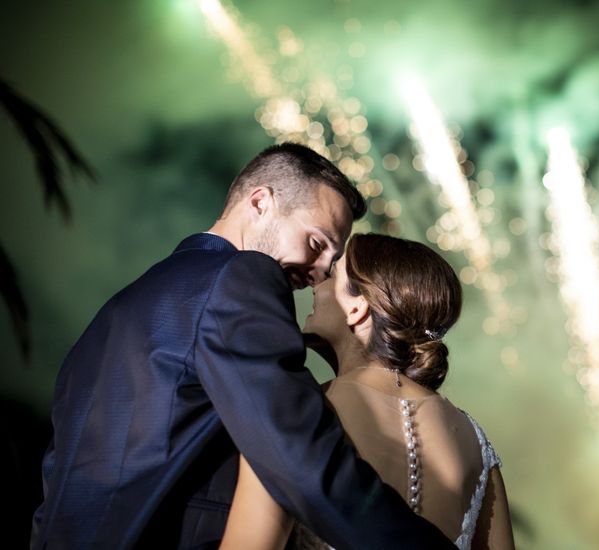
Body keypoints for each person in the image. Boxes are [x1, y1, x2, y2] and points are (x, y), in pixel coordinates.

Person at [31, 143, 454, 549]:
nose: (319, 275)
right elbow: (305, 463)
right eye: (316, 243)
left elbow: (60, 481)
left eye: (331, 261)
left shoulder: (115, 313)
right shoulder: (241, 278)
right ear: (259, 203)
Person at [220, 233, 515, 550]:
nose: (316, 286)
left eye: (331, 276)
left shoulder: (296, 414)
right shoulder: (472, 440)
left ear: (358, 307)